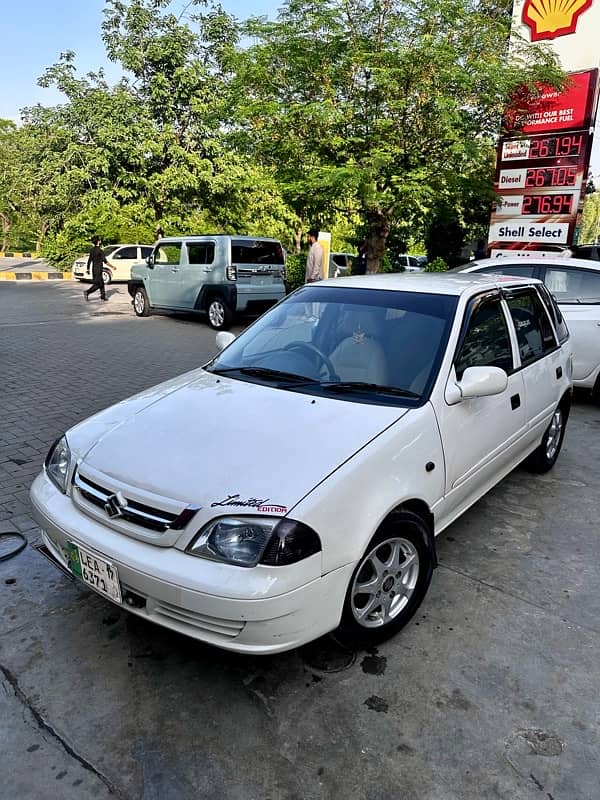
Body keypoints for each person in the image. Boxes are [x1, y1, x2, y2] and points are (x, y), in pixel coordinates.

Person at [84, 237, 109, 302]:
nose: (100, 241)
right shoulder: (100, 251)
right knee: (98, 284)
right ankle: (87, 292)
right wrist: (113, 266)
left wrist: (88, 269)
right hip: (99, 269)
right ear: (98, 241)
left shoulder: (92, 250)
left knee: (102, 283)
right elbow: (105, 261)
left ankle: (103, 296)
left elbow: (89, 260)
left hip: (94, 269)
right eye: (99, 240)